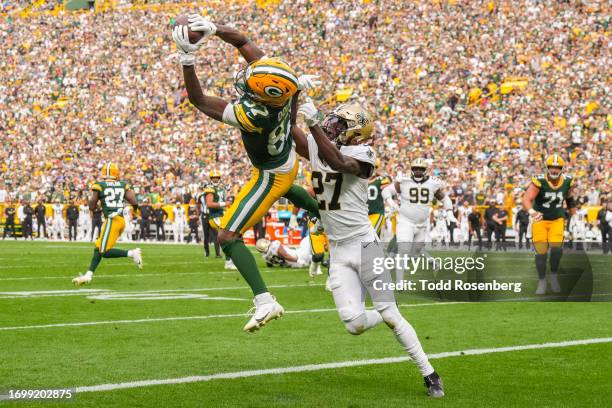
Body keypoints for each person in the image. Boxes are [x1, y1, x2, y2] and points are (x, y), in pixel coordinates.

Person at [173, 15, 320, 331]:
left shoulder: (255, 114)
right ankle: (326, 215)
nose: (244, 84)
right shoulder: (282, 86)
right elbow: (243, 42)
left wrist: (187, 59)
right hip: (285, 159)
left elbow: (199, 100)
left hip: (272, 172)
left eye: (251, 86)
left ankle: (265, 301)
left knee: (227, 235)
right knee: (288, 189)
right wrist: (215, 29)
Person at [296, 100, 444, 397]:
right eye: (332, 122)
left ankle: (430, 373)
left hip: (364, 245)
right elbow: (291, 134)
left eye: (340, 125)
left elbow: (339, 163)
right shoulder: (319, 143)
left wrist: (312, 124)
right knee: (353, 323)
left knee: (389, 314)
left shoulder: (363, 154)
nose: (331, 127)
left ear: (356, 134)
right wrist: (290, 96)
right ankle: (383, 312)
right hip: (338, 250)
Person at [72, 163, 142, 286]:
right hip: (120, 220)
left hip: (111, 220)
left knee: (104, 251)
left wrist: (93, 208)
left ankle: (132, 253)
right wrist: (135, 210)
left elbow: (92, 204)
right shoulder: (123, 185)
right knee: (98, 247)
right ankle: (88, 275)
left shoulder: (99, 185)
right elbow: (134, 201)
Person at [522, 154, 577, 295]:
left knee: (557, 250)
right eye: (551, 167)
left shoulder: (568, 181)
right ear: (547, 168)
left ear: (562, 168)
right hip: (540, 220)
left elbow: (570, 199)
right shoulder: (539, 181)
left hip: (557, 219)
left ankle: (553, 275)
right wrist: (532, 211)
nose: (553, 170)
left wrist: (574, 215)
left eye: (557, 167)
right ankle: (542, 280)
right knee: (541, 253)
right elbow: (527, 199)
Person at [367, 161, 391, 238]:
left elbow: (389, 188)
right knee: (375, 238)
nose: (373, 169)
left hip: (377, 213)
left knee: (370, 236)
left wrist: (382, 175)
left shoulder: (381, 179)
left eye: (375, 167)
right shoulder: (362, 180)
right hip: (364, 214)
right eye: (370, 166)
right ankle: (376, 250)